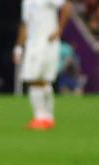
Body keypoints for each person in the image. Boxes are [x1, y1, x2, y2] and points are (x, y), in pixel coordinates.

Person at [14, 0, 70, 130]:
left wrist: (59, 29)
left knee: (36, 79)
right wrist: (18, 47)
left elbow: (67, 6)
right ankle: (47, 118)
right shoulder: (26, 2)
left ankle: (41, 117)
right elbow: (25, 24)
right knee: (40, 80)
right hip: (33, 44)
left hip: (47, 42)